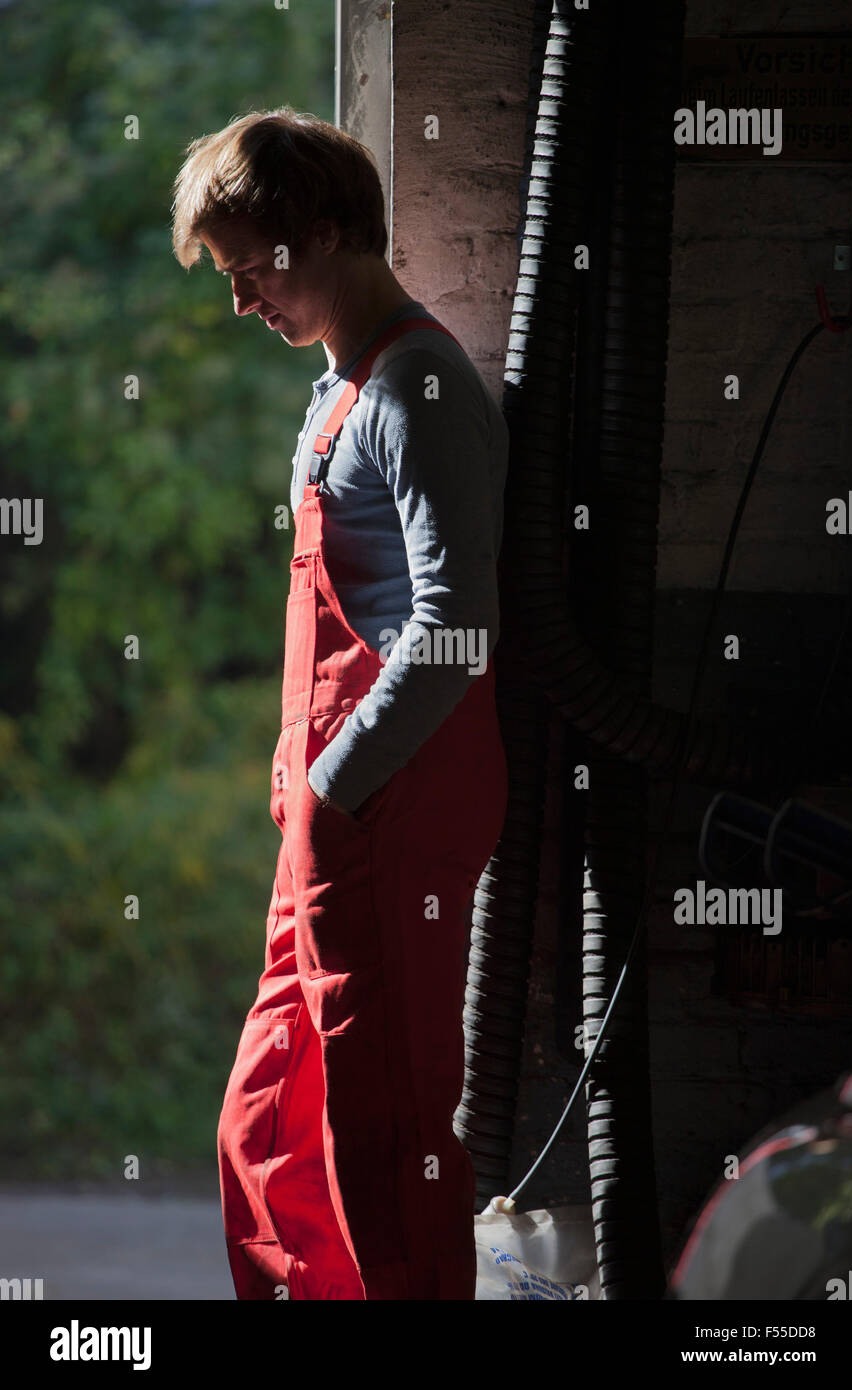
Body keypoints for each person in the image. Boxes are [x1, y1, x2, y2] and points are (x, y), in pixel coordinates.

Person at [171, 106, 509, 1300]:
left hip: (388, 808)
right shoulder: (332, 395)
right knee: (264, 1129)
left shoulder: (417, 390)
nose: (239, 299)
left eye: (247, 267)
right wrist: (301, 788)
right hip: (329, 819)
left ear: (320, 233)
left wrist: (336, 782)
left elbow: (457, 622)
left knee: (387, 1131)